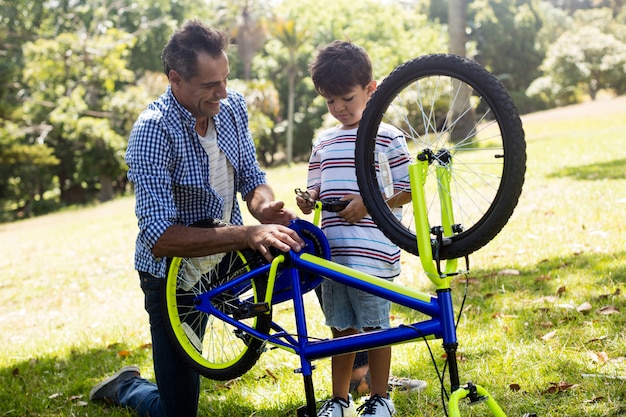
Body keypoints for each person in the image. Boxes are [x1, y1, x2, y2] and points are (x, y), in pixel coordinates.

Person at [89, 20, 304, 417]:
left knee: (310, 259)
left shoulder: (232, 106)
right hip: (170, 280)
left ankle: (357, 369)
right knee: (178, 411)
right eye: (209, 85)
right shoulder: (152, 132)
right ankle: (127, 387)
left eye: (225, 79)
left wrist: (264, 209)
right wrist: (246, 233)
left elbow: (253, 180)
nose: (222, 93)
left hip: (224, 266)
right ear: (176, 79)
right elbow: (160, 236)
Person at [296, 41, 419, 417]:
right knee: (340, 330)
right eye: (330, 102)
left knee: (376, 328)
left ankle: (380, 398)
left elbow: (409, 189)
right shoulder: (324, 140)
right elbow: (316, 185)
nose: (339, 109)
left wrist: (370, 201)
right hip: (333, 254)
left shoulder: (387, 136)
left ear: (371, 89)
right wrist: (308, 198)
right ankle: (339, 401)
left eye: (346, 98)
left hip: (372, 252)